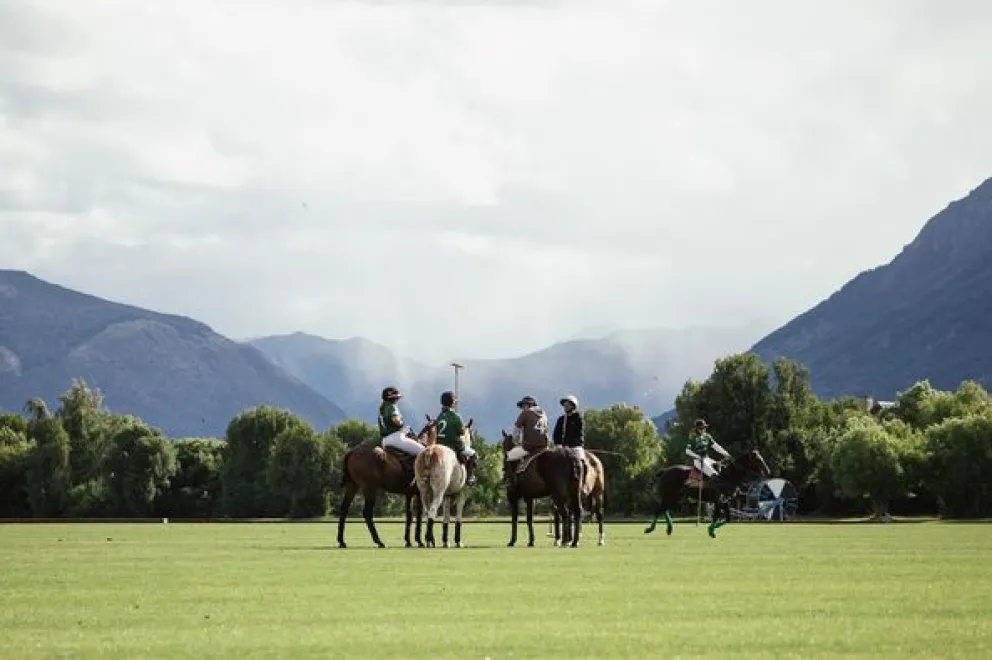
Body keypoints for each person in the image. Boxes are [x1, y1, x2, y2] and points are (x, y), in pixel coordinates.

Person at [504, 395, 550, 484]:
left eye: (523, 406)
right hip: (545, 447)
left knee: (509, 456)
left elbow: (516, 433)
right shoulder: (544, 414)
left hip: (530, 447)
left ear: (529, 405)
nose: (522, 408)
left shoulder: (525, 414)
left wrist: (516, 442)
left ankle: (512, 481)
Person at [435, 391, 478, 486]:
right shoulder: (456, 416)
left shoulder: (439, 416)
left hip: (439, 444)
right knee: (473, 454)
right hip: (453, 445)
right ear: (453, 403)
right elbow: (462, 432)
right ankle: (469, 477)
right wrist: (465, 427)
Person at [378, 386, 425, 458]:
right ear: (393, 398)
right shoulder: (392, 406)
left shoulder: (382, 408)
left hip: (384, 441)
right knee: (424, 451)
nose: (398, 399)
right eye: (397, 398)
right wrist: (402, 426)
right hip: (396, 438)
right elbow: (395, 420)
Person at [553, 394, 585, 461]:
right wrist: (558, 444)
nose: (565, 407)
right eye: (564, 405)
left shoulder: (578, 418)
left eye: (567, 405)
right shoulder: (561, 419)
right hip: (562, 447)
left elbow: (579, 433)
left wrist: (571, 444)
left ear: (573, 406)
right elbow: (556, 433)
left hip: (575, 447)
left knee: (581, 460)